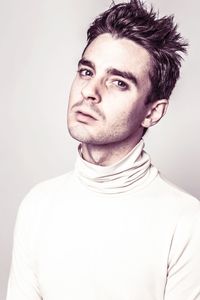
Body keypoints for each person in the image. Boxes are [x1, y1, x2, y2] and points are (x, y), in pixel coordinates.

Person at [7, 0, 200, 299]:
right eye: (86, 72)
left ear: (153, 112)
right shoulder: (38, 205)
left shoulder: (186, 222)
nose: (89, 92)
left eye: (118, 82)